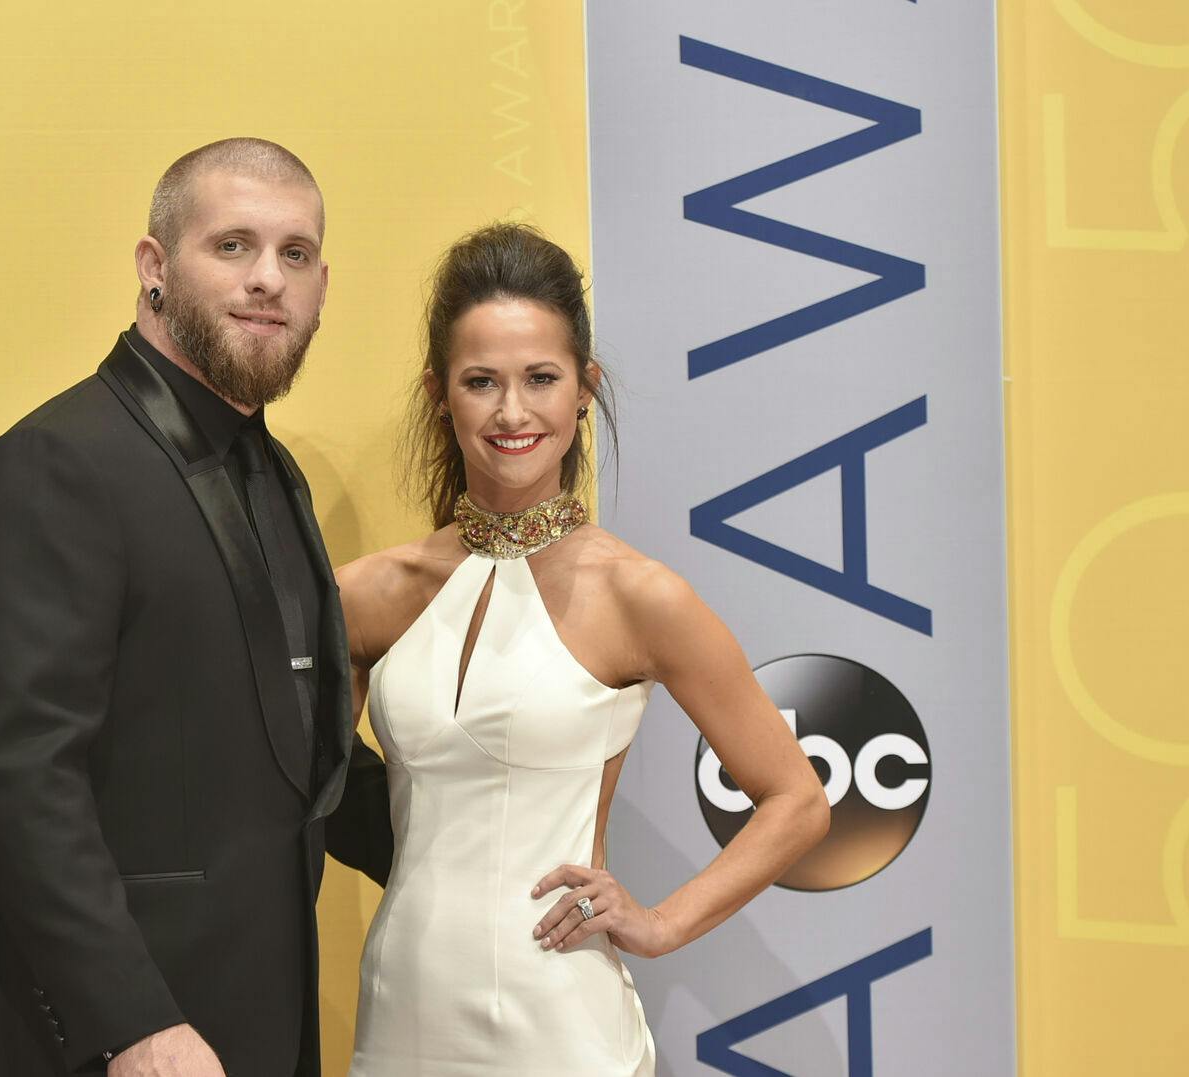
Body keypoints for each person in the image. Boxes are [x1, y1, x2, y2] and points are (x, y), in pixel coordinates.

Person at [0, 138, 393, 1077]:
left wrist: (489, 852)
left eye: (295, 254)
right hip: (115, 1045)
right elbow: (22, 782)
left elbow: (303, 761)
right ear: (155, 268)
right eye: (232, 246)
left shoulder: (276, 473)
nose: (268, 278)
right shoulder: (52, 468)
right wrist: (132, 1022)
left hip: (261, 1025)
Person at [339, 223, 831, 1075]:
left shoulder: (639, 596)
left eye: (541, 379)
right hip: (398, 1015)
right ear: (439, 394)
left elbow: (798, 798)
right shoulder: (371, 593)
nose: (512, 412)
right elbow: (291, 785)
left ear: (583, 389)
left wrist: (664, 920)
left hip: (559, 1026)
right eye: (481, 381)